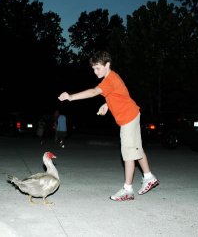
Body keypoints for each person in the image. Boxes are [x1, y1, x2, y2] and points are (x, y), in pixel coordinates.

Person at [58, 51, 159, 201]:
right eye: (93, 69)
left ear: (107, 65)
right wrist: (107, 104)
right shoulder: (113, 77)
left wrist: (71, 97)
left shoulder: (109, 80)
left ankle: (127, 190)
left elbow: (93, 92)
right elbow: (120, 94)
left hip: (128, 119)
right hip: (132, 114)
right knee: (136, 148)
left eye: (98, 68)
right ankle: (149, 177)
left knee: (128, 154)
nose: (95, 71)